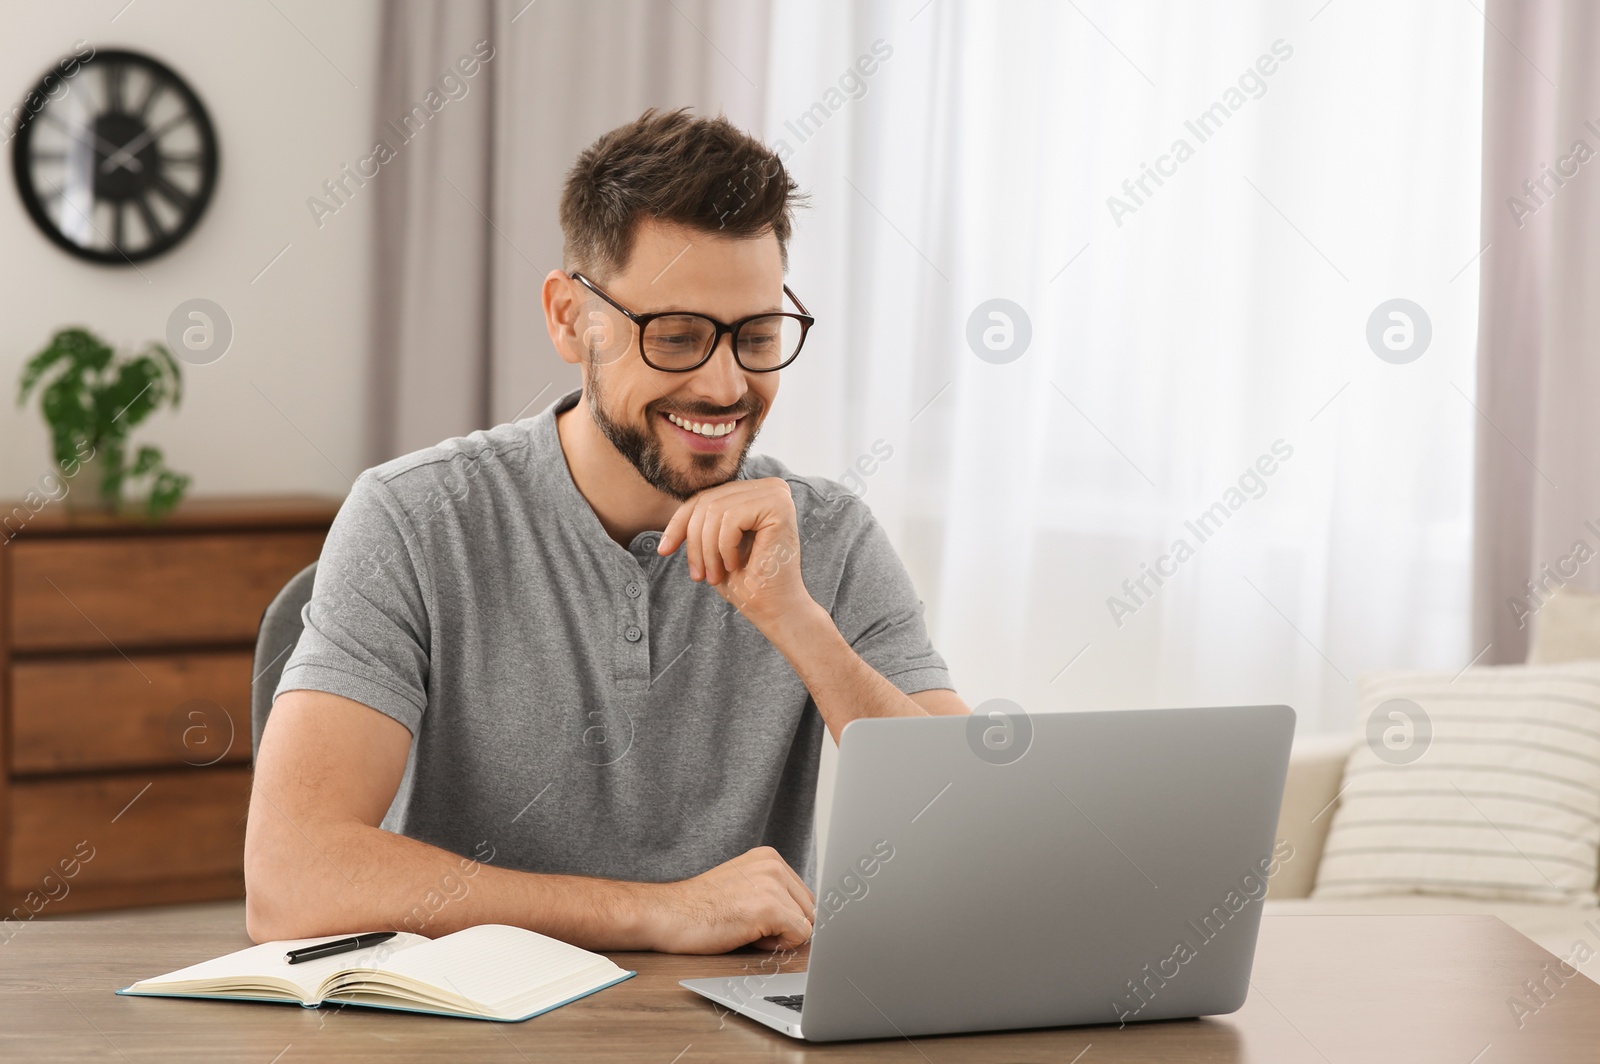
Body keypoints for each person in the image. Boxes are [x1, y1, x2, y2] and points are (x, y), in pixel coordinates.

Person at [244, 107, 967, 955]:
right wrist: (657, 911)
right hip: (476, 1037)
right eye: (678, 337)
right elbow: (291, 879)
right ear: (568, 319)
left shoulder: (829, 537)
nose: (726, 385)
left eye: (759, 336)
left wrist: (798, 623)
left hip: (734, 1037)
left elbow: (971, 837)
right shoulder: (414, 518)